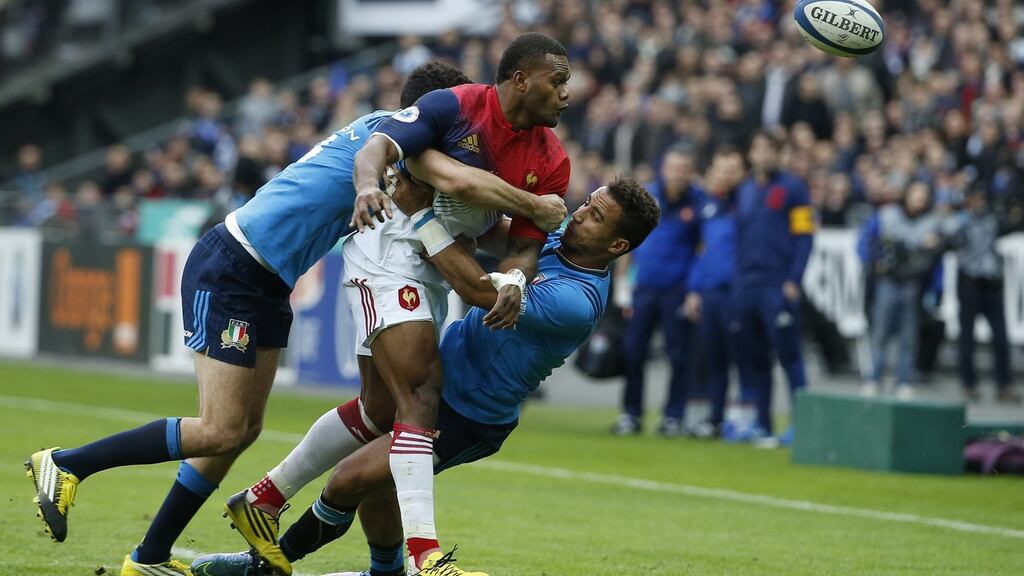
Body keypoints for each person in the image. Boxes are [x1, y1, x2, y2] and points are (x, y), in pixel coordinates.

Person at [24, 61, 566, 576]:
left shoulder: (399, 141)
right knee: (220, 428)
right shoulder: (399, 143)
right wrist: (537, 206)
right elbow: (465, 185)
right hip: (235, 263)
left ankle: (151, 553)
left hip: (270, 280)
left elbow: (467, 202)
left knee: (238, 431)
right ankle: (70, 463)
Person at [190, 177, 660, 576]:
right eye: (586, 205)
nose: (579, 216)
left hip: (469, 415)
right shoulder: (559, 240)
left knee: (348, 480)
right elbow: (503, 242)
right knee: (378, 491)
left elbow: (475, 288)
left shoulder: (576, 302)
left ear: (617, 246)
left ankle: (264, 564)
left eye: (595, 217)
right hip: (431, 384)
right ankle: (384, 569)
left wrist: (423, 217)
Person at [263, 32, 569, 574]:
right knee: (423, 394)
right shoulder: (456, 106)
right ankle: (424, 556)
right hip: (388, 248)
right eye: (558, 79)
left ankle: (267, 495)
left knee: (382, 411)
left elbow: (523, 247)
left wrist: (518, 282)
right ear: (522, 78)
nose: (567, 93)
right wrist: (364, 189)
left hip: (432, 265)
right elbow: (379, 149)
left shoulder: (551, 159)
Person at [611, 148, 703, 437]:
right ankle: (632, 413)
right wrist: (623, 280)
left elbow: (704, 247)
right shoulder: (648, 196)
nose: (677, 174)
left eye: (683, 168)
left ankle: (673, 416)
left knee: (678, 354)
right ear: (663, 169)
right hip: (645, 286)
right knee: (634, 350)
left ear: (690, 172)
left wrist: (695, 289)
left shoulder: (700, 202)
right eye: (673, 167)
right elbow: (628, 237)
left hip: (678, 288)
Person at [732, 131, 814, 440]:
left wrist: (794, 279)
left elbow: (805, 238)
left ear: (779, 154)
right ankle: (763, 423)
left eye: (769, 149)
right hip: (747, 285)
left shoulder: (794, 188)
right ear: (751, 154)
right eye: (758, 148)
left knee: (789, 356)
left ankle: (802, 424)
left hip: (777, 284)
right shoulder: (745, 189)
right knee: (756, 358)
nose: (763, 155)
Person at [683, 146, 746, 438]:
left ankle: (747, 419)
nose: (724, 175)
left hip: (736, 292)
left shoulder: (746, 204)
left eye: (730, 170)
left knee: (743, 357)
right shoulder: (708, 206)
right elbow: (701, 251)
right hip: (709, 292)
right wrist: (694, 290)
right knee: (715, 359)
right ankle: (717, 419)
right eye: (720, 169)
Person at [862, 181, 942, 399]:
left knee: (908, 337)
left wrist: (936, 290)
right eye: (915, 192)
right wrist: (874, 262)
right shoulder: (888, 215)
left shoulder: (931, 223)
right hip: (887, 281)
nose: (919, 198)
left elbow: (934, 261)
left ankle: (904, 381)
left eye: (923, 194)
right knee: (880, 333)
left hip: (912, 284)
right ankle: (873, 377)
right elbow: (865, 242)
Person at [944, 186, 1019, 404]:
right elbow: (949, 242)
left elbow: (1010, 223)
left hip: (991, 285)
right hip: (969, 283)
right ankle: (968, 384)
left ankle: (1004, 384)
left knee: (1001, 338)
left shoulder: (992, 219)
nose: (979, 202)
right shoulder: (959, 221)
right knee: (967, 337)